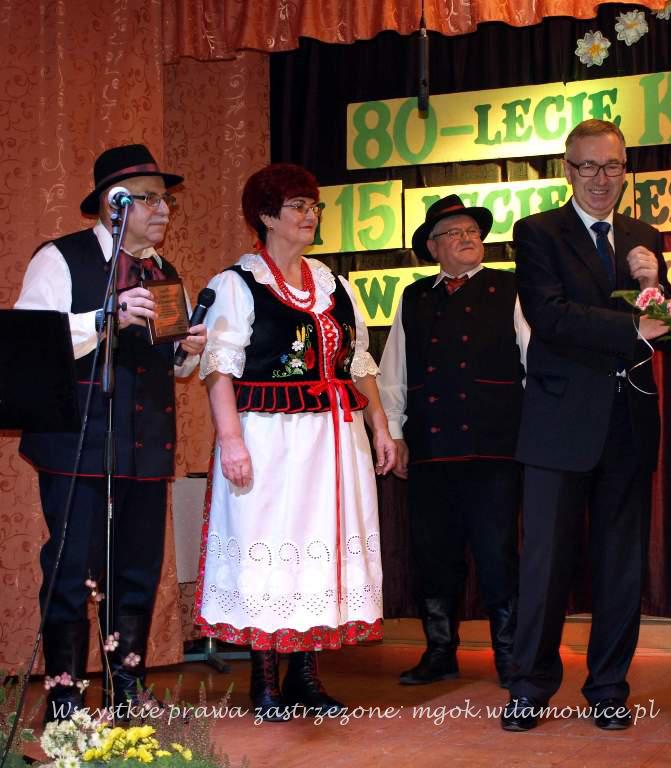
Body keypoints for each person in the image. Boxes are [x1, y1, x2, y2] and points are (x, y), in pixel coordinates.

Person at [194, 163, 396, 721]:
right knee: (269, 541)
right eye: (298, 206)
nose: (310, 215)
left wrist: (380, 426)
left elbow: (358, 363)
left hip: (333, 439)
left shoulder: (335, 285)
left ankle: (305, 676)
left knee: (318, 548)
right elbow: (218, 368)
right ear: (266, 216)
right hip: (269, 436)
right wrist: (231, 440)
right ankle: (265, 682)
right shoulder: (236, 284)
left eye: (314, 206)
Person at [15, 144, 207, 721]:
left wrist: (188, 351)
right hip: (76, 446)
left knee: (135, 575)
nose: (163, 210)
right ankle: (65, 700)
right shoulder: (60, 259)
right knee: (73, 573)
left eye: (166, 200)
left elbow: (172, 365)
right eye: (149, 199)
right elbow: (32, 346)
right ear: (113, 203)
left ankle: (128, 692)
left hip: (145, 448)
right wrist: (106, 318)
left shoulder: (164, 273)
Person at [500, 119, 671, 732]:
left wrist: (654, 284)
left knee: (621, 566)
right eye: (589, 167)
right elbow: (550, 317)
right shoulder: (538, 232)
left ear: (626, 171)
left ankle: (609, 689)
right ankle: (528, 688)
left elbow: (664, 329)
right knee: (545, 565)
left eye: (613, 166)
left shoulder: (645, 237)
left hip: (630, 422)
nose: (602, 179)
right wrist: (632, 327)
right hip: (560, 424)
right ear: (568, 171)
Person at [379, 195, 529, 688]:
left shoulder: (511, 288)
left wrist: (534, 432)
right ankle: (440, 651)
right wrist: (395, 433)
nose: (467, 238)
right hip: (430, 450)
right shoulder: (414, 297)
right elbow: (394, 373)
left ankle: (510, 655)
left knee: (497, 553)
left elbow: (532, 362)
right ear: (433, 246)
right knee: (433, 555)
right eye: (455, 233)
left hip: (494, 447)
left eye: (472, 231)